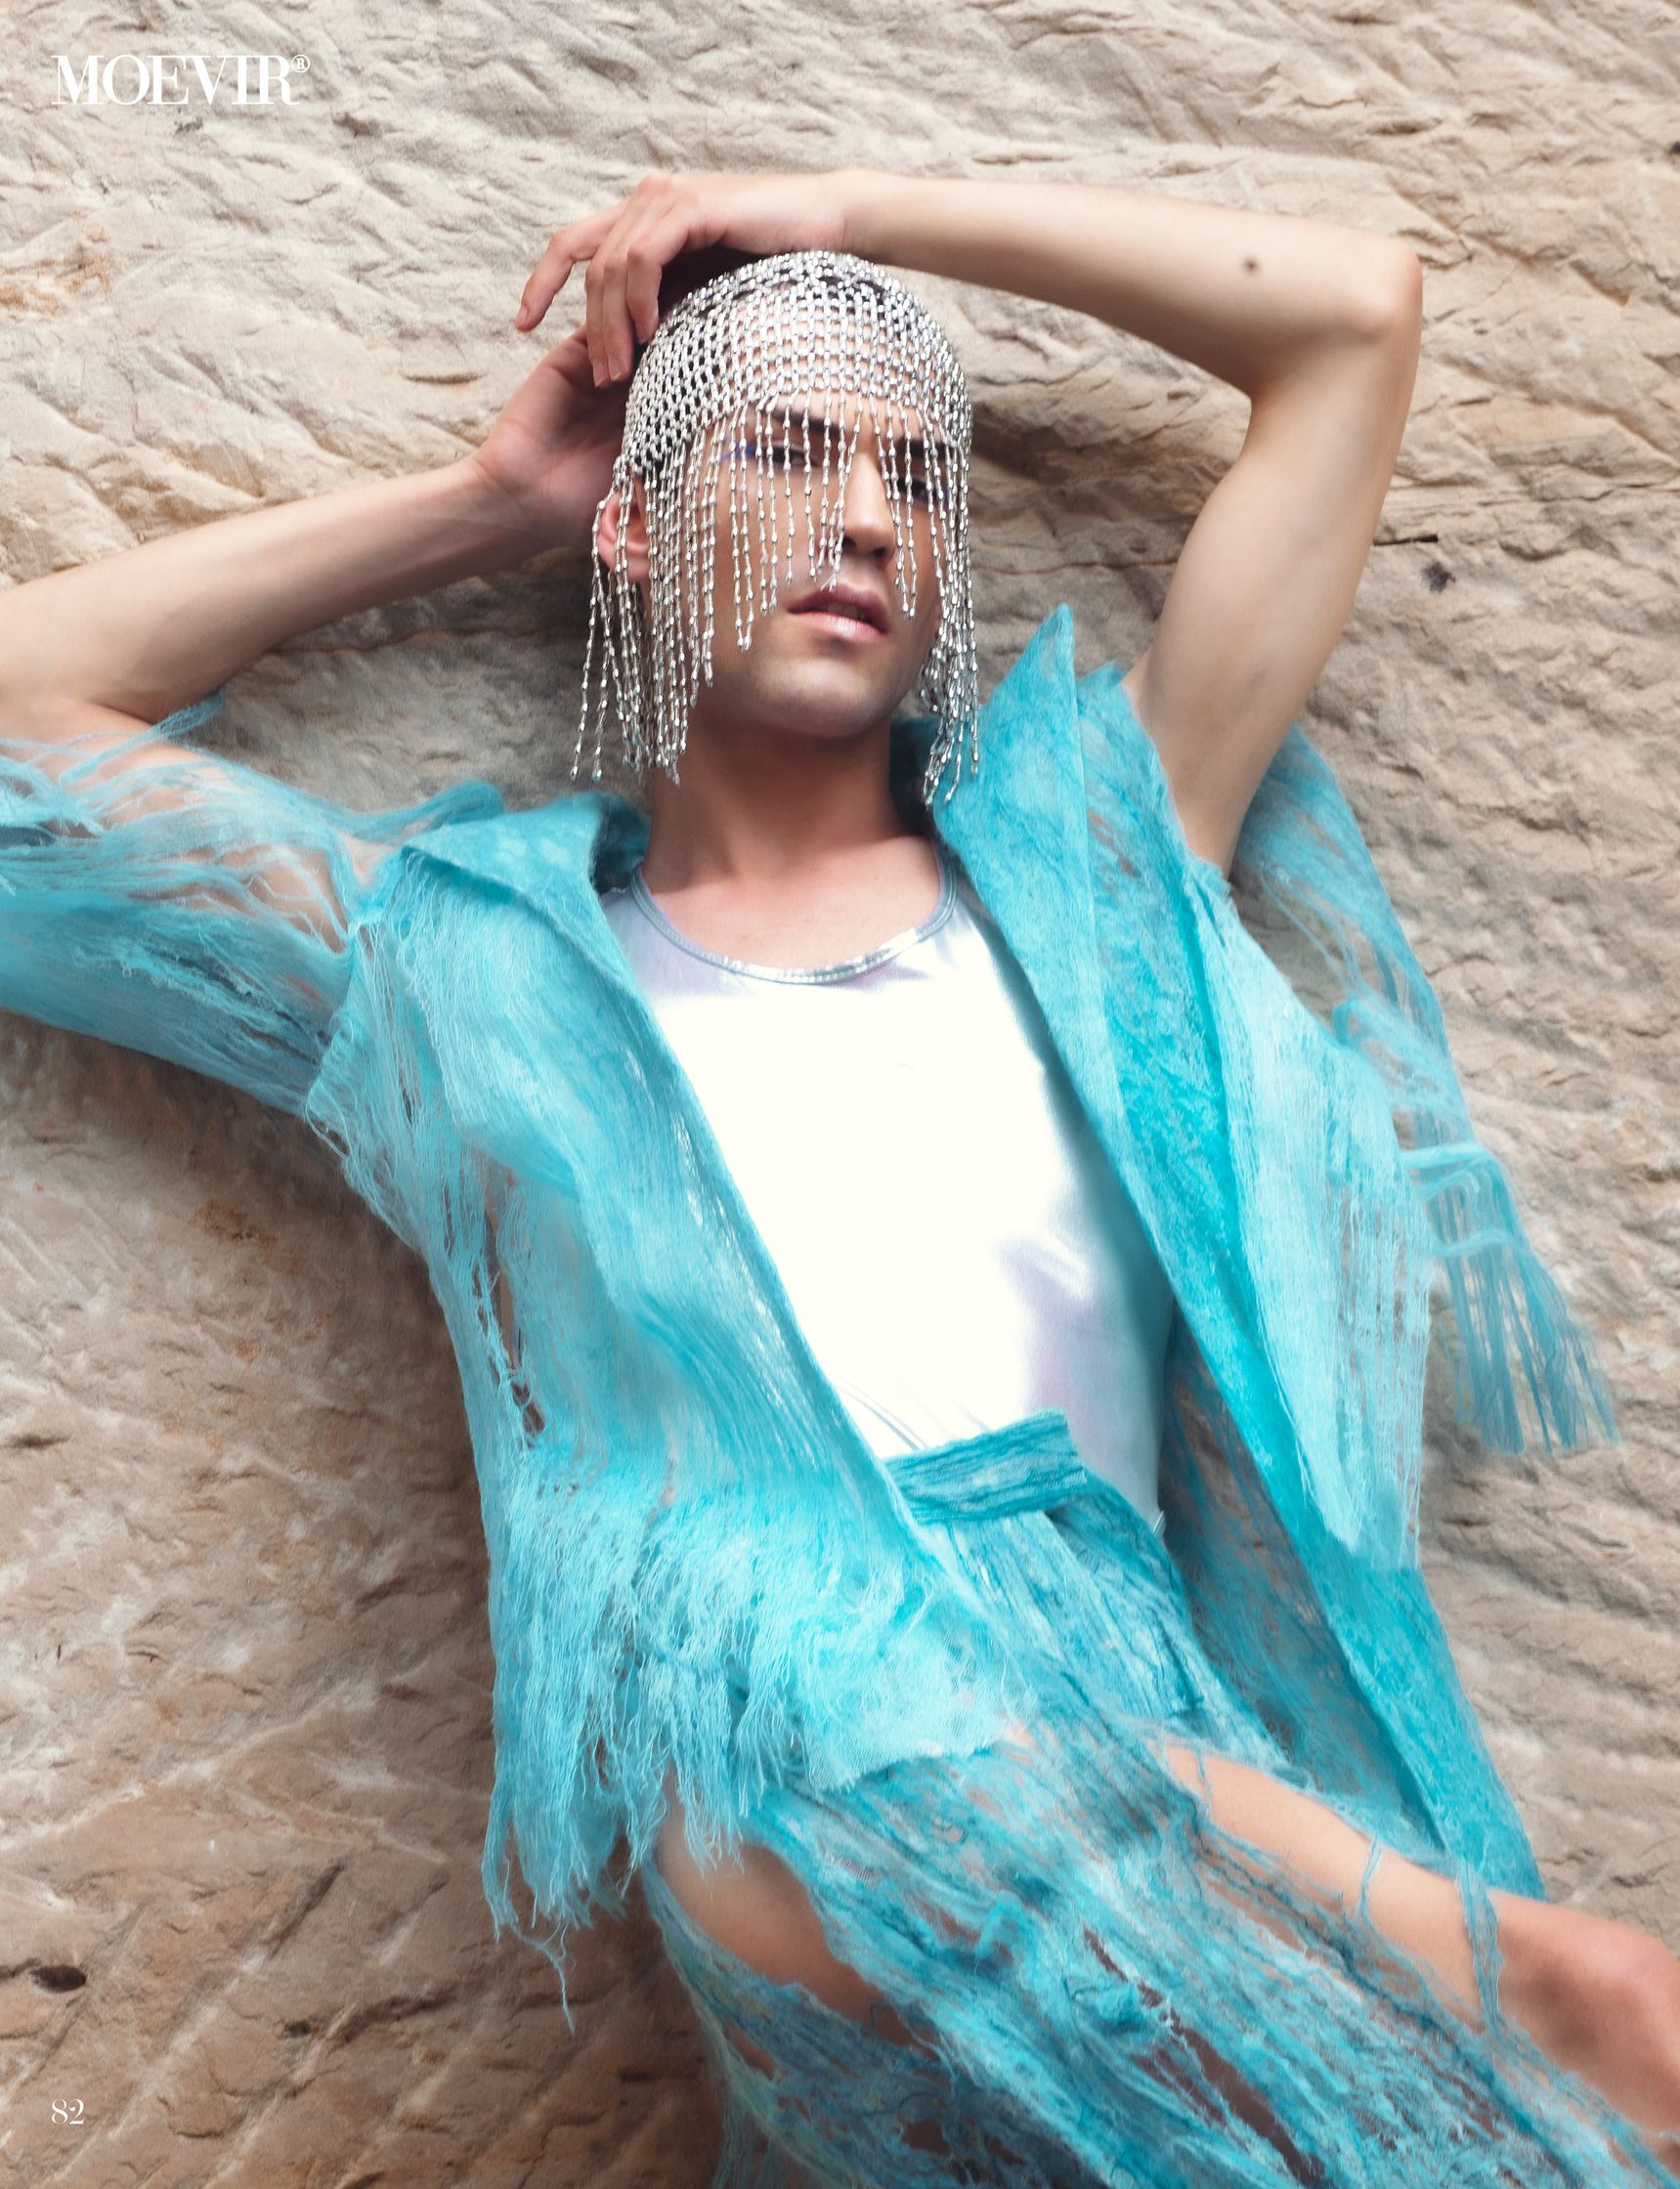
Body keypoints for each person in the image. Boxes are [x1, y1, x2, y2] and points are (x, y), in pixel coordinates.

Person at [2, 165, 1675, 2186]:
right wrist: (490, 500)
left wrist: (843, 208)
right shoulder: (466, 962)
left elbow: (1347, 323)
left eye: (916, 477)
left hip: (1126, 1711)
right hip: (792, 1738)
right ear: (638, 523)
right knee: (1597, 2011)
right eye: (787, 451)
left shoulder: (1092, 866)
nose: (869, 514)